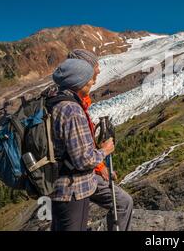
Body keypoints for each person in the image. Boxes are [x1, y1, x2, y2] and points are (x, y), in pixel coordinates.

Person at [67, 49, 133, 231]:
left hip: (80, 174)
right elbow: (80, 155)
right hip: (73, 180)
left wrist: (100, 167)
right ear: (82, 70)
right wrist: (103, 152)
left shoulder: (78, 101)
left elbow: (80, 147)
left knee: (123, 202)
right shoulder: (70, 107)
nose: (98, 71)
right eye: (94, 67)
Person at [50, 58, 114, 231]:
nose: (92, 81)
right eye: (88, 78)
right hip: (73, 190)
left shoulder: (54, 102)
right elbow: (84, 160)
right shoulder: (72, 110)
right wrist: (105, 151)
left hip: (58, 187)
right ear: (78, 82)